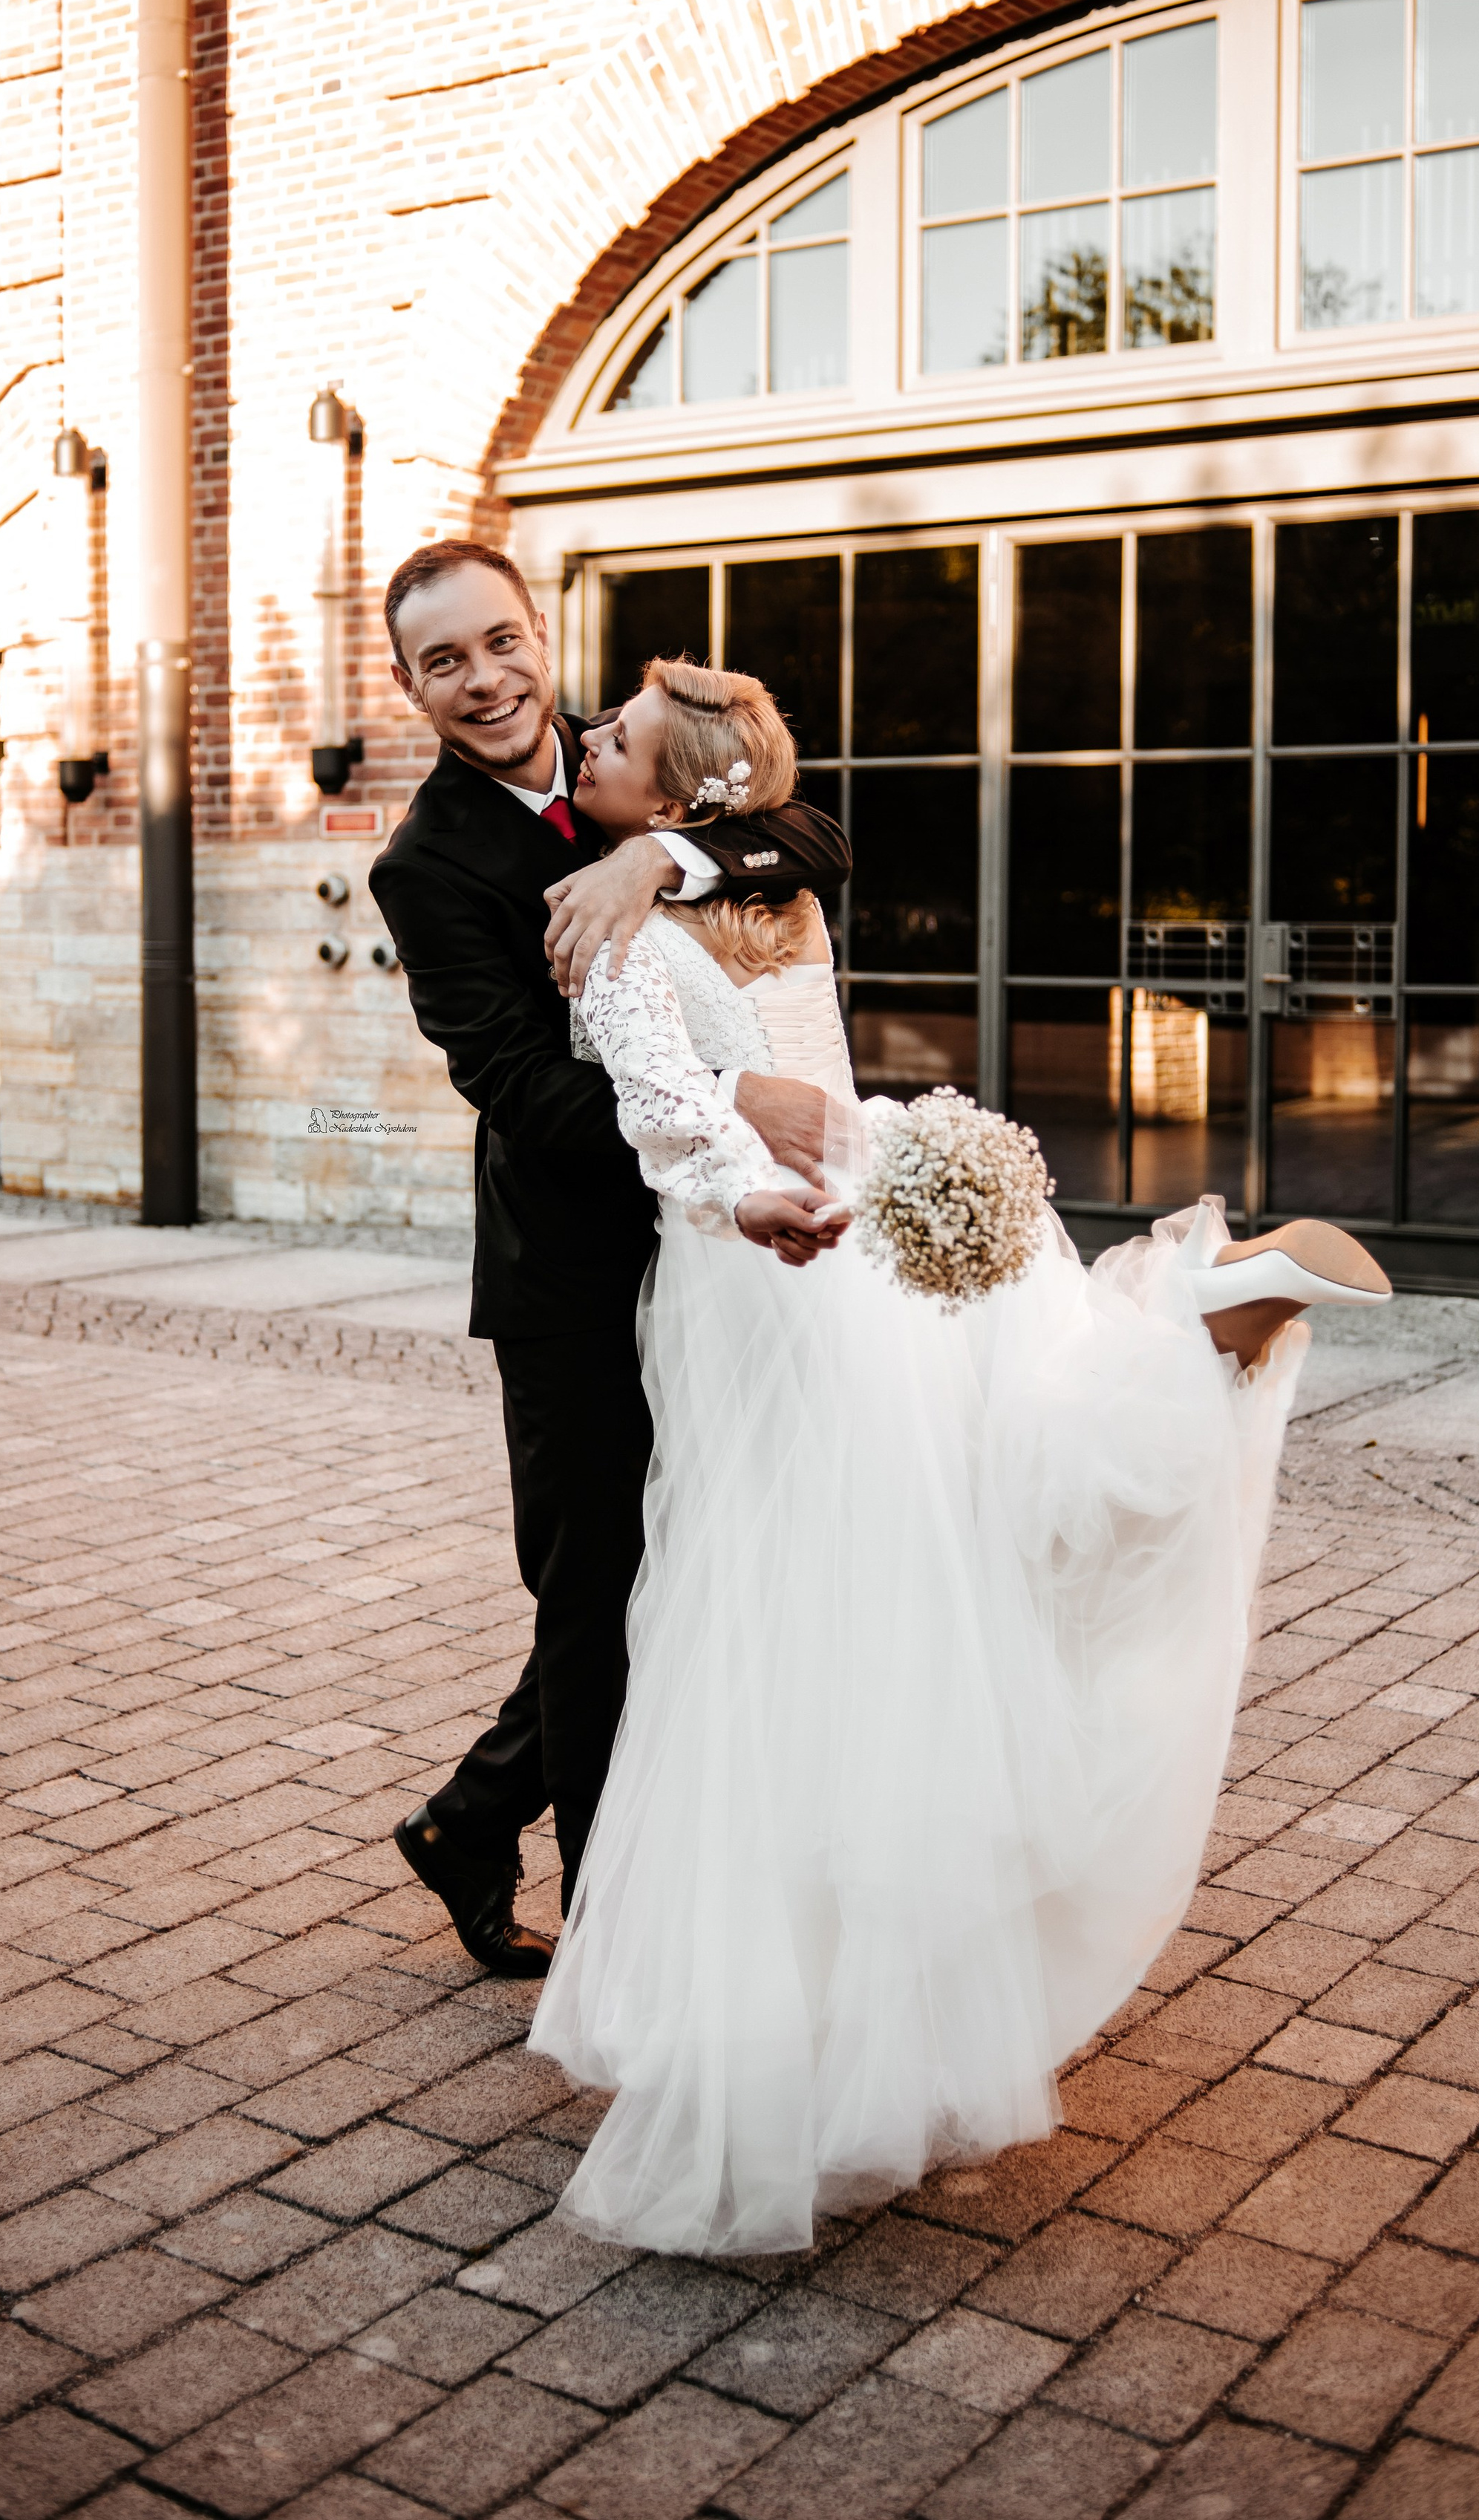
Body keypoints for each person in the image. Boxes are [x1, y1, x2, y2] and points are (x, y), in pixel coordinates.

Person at [528, 656, 1393, 2257]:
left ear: (681, 790)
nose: (587, 738)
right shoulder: (772, 900)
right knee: (986, 1515)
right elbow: (772, 895)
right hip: (887, 1216)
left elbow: (667, 1118)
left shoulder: (612, 918)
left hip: (775, 1274)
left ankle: (799, 2047)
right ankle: (1194, 1317)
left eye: (618, 737)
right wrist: (681, 855)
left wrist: (745, 1194)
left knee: (795, 1628)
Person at [370, 541, 853, 1976]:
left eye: (501, 643)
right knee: (595, 1597)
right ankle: (619, 1945)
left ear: (540, 634)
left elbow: (814, 836)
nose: (486, 680)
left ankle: (469, 1817)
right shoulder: (428, 865)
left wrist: (663, 851)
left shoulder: (625, 757)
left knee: (694, 1567)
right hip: (576, 1276)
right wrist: (724, 1114)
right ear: (408, 687)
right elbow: (520, 1083)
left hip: (728, 1267)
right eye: (444, 662)